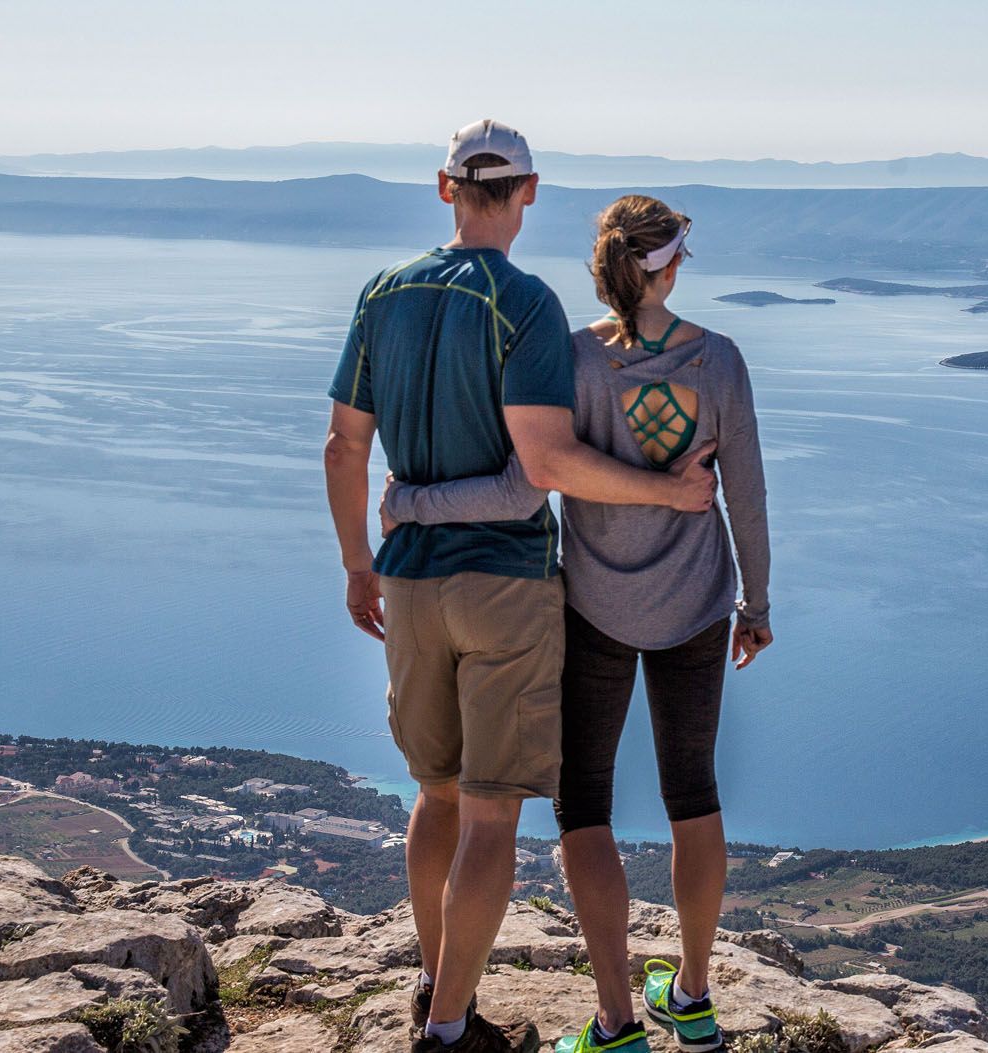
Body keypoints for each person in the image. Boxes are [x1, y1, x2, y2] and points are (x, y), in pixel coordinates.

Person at [323, 124, 717, 1053]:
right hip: (504, 584)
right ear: (529, 191)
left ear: (443, 187)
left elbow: (344, 445)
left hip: (410, 582)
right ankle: (452, 1028)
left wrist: (358, 560)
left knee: (435, 791)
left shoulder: (383, 293)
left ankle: (432, 986)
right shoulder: (526, 305)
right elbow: (542, 464)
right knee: (492, 807)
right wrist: (670, 490)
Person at [381, 194, 773, 1053]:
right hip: (699, 605)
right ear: (668, 267)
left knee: (584, 811)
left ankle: (616, 1021)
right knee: (693, 794)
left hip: (590, 605)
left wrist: (410, 501)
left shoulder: (571, 360)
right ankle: (695, 996)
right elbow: (745, 491)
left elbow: (533, 475)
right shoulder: (722, 361)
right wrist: (758, 604)